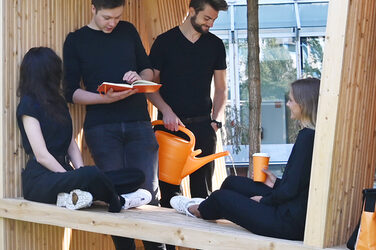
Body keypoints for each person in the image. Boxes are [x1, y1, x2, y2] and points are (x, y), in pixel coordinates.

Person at [62, 0, 163, 249]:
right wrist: (103, 99)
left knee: (149, 195)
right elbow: (71, 92)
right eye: (107, 17)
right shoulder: (76, 40)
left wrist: (139, 78)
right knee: (114, 198)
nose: (113, 23)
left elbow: (148, 70)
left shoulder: (127, 30)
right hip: (101, 128)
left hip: (139, 123)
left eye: (117, 17)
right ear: (93, 9)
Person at [170, 78, 320, 241]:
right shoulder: (311, 134)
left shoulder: (307, 138)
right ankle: (209, 204)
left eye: (291, 100)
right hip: (290, 207)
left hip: (287, 221)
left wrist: (264, 200)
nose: (288, 104)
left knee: (221, 197)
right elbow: (300, 184)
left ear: (303, 104)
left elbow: (290, 190)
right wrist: (276, 183)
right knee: (232, 182)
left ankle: (195, 209)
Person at [17, 47, 152, 214]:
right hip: (41, 179)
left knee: (135, 175)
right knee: (91, 175)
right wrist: (74, 176)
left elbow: (71, 143)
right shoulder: (28, 104)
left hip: (66, 174)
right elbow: (41, 155)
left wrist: (79, 171)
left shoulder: (58, 103)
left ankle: (78, 196)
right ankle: (119, 200)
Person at [148, 0, 228, 207]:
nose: (210, 24)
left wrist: (216, 122)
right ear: (191, 11)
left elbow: (221, 89)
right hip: (169, 128)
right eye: (207, 18)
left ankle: (198, 241)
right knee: (169, 197)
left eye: (214, 20)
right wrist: (166, 111)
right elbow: (149, 87)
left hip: (203, 128)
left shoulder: (216, 45)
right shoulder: (164, 42)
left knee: (203, 196)